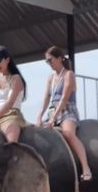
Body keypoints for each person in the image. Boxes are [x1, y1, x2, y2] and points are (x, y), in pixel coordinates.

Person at [36, 45, 92, 181]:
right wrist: (39, 116)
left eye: (51, 60)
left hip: (67, 111)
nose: (49, 64)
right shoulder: (50, 78)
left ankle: (86, 168)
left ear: (60, 58)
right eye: (47, 61)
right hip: (52, 112)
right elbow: (46, 98)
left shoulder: (69, 75)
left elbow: (64, 98)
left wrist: (53, 118)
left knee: (68, 133)